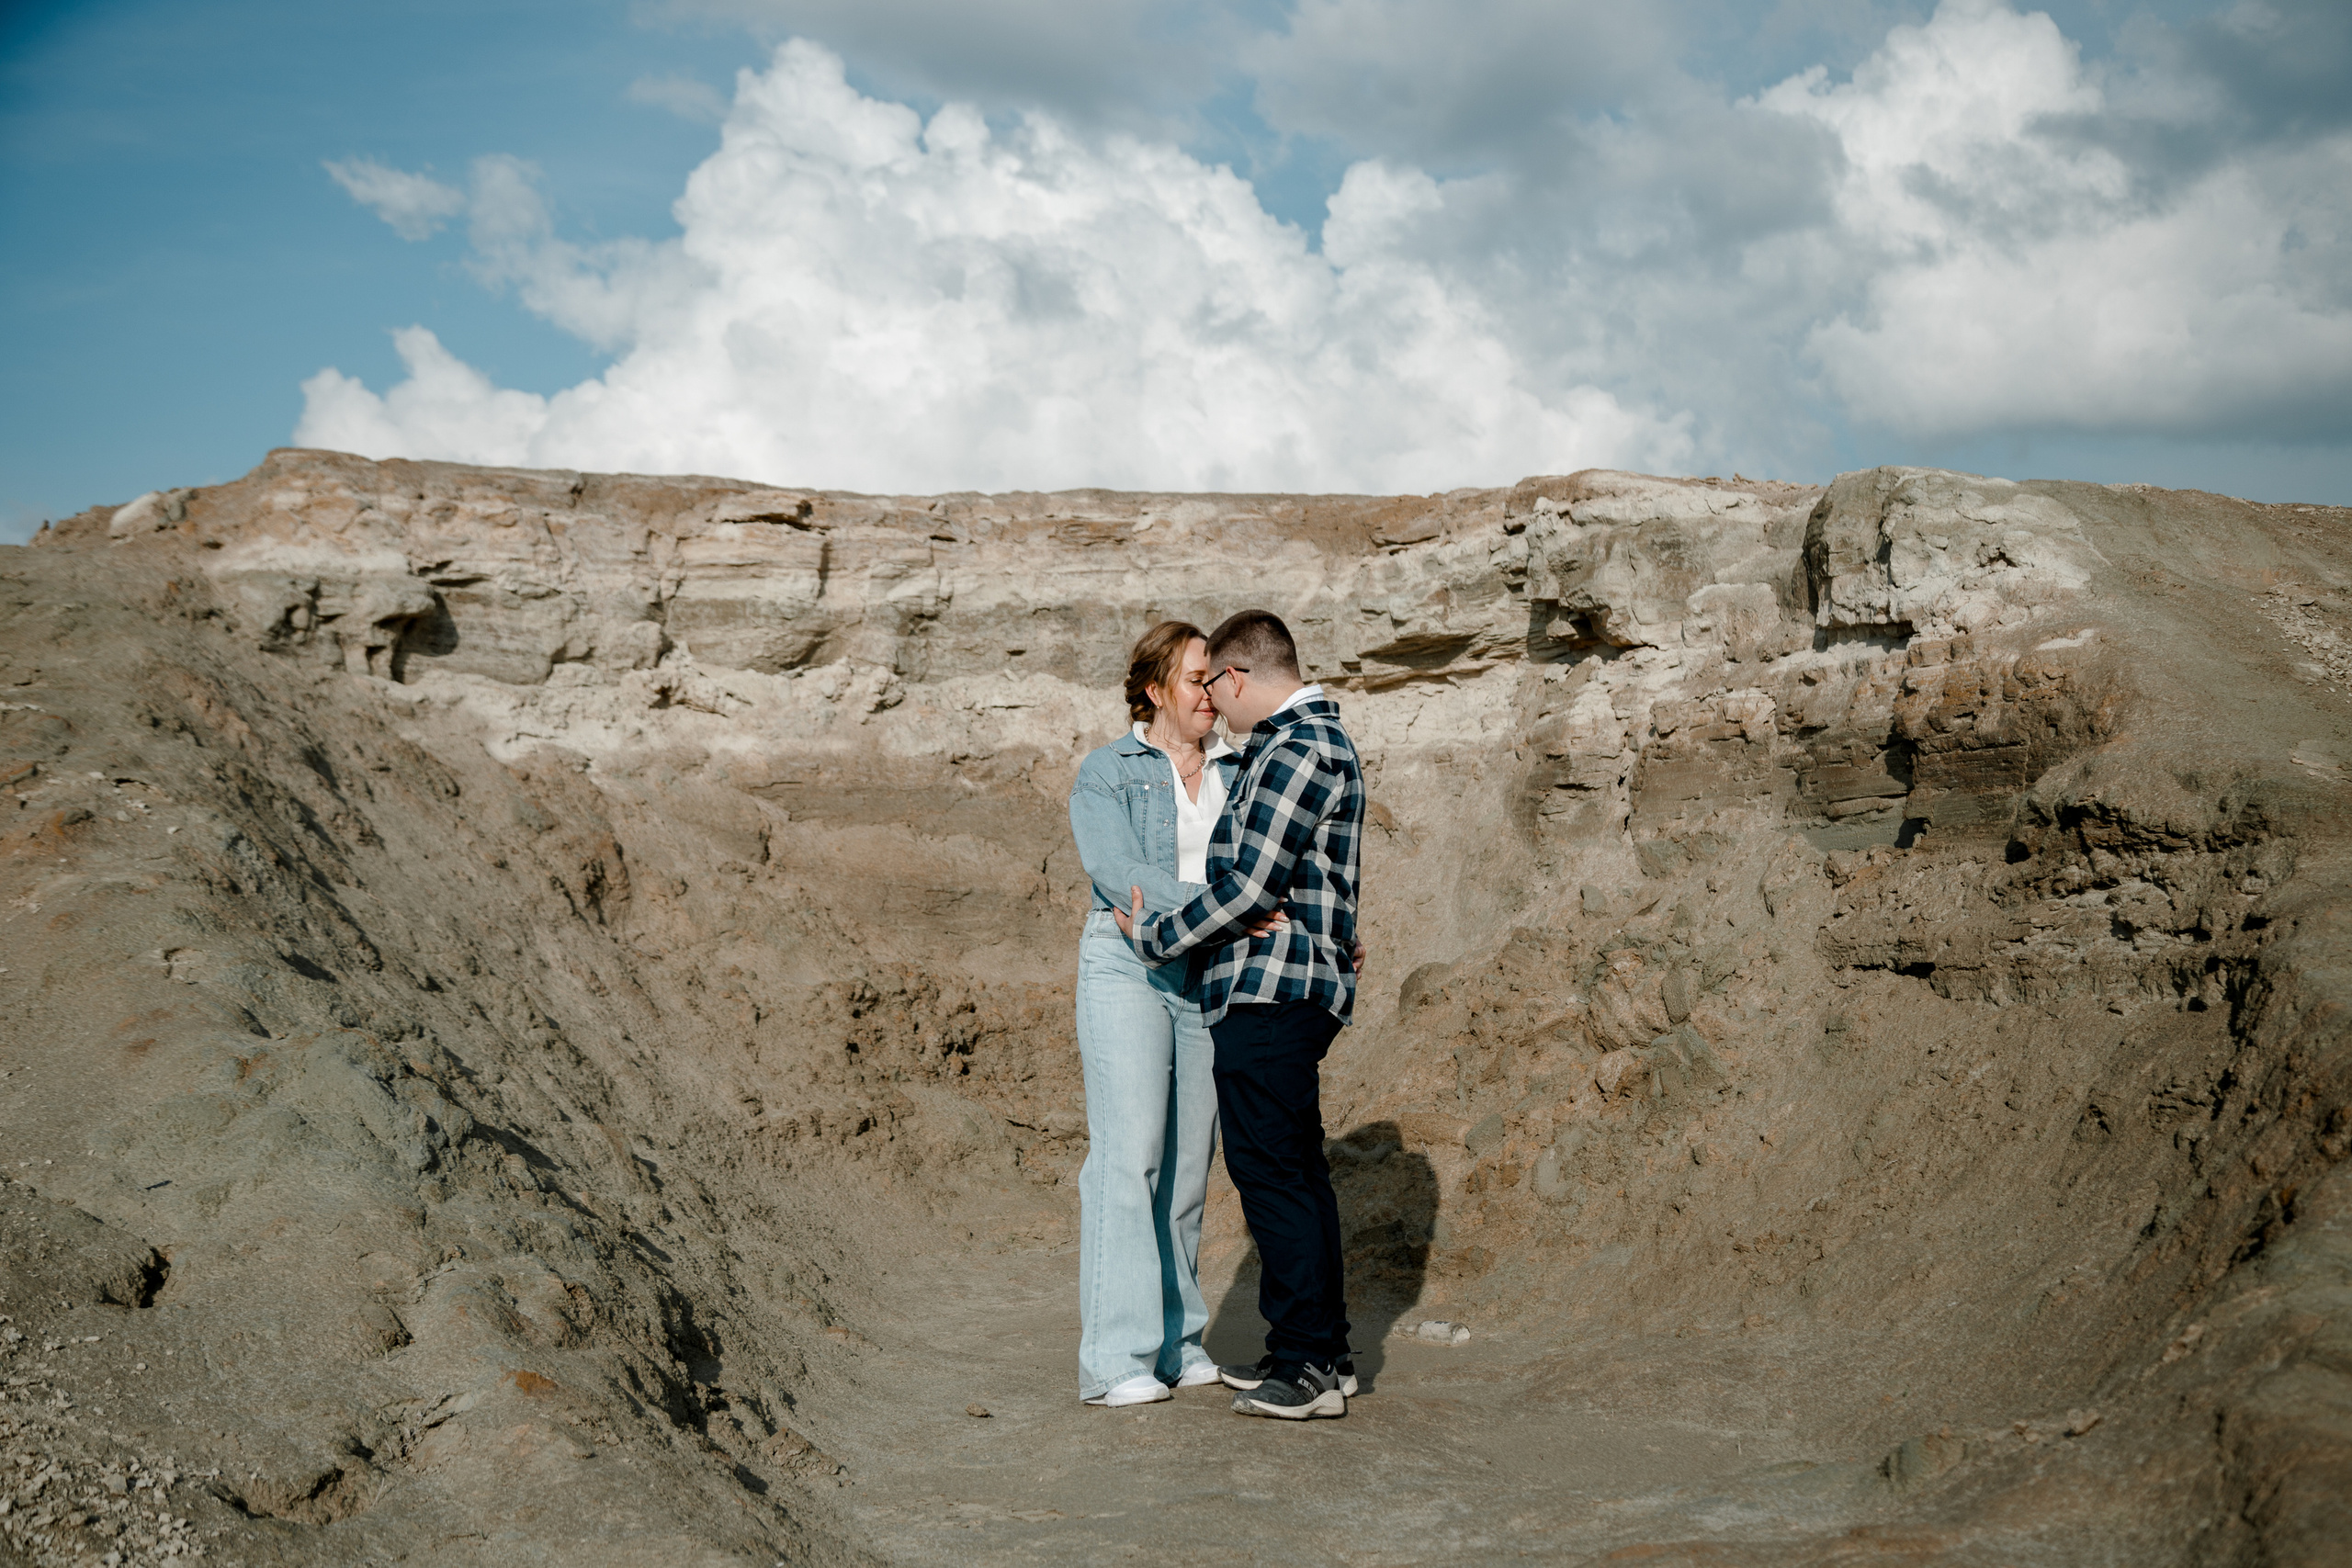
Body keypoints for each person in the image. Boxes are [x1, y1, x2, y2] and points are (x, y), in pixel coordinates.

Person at [1115, 609, 1366, 1421]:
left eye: (1217, 687)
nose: (1216, 709)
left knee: (1271, 1174)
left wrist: (1157, 932)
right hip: (1288, 982)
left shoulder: (1297, 748)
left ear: (1238, 675)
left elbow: (1254, 888)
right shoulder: (1303, 746)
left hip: (1269, 988)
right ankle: (1325, 1349)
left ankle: (1303, 1367)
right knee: (1300, 1170)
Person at [1065, 621, 1270, 1406]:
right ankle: (1114, 1359)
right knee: (1130, 1155)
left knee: (1188, 1168)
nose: (1211, 695)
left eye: (1214, 679)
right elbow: (1126, 880)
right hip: (1126, 967)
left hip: (1205, 975)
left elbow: (1261, 868)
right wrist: (1238, 907)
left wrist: (1232, 912)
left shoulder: (1239, 771)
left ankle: (1179, 1342)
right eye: (1195, 679)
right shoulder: (1106, 772)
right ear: (1155, 690)